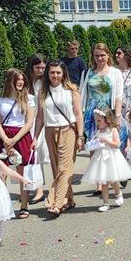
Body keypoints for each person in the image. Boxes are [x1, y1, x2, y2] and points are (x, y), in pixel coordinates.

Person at [34, 60, 84, 217]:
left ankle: (56, 202)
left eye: (58, 72)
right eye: (52, 72)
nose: (55, 75)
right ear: (47, 74)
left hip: (68, 130)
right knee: (57, 168)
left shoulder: (71, 90)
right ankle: (68, 200)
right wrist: (35, 137)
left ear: (63, 74)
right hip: (49, 130)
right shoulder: (43, 92)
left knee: (63, 168)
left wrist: (80, 136)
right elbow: (40, 118)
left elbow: (78, 114)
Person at [0, 69, 36, 218]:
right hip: (3, 136)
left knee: (22, 172)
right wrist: (5, 139)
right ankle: (3, 207)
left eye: (22, 80)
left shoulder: (29, 99)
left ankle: (24, 206)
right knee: (1, 173)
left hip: (21, 136)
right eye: (17, 79)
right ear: (9, 81)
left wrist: (15, 139)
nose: (21, 82)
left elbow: (29, 122)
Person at [83, 108, 131, 212]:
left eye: (99, 120)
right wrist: (91, 145)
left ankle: (118, 194)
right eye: (96, 120)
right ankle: (106, 203)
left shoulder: (112, 130)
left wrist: (106, 140)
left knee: (113, 180)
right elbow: (96, 143)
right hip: (101, 158)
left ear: (107, 120)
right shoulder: (98, 131)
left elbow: (117, 144)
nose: (97, 123)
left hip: (111, 157)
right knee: (103, 181)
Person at [79, 43, 124, 146]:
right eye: (97, 56)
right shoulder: (87, 73)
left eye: (102, 55)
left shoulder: (116, 73)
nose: (100, 58)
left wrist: (117, 116)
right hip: (92, 115)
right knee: (94, 145)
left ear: (108, 55)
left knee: (110, 145)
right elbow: (81, 95)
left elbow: (118, 96)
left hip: (109, 113)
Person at [24, 54, 49, 205]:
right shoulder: (25, 82)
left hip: (42, 122)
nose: (40, 70)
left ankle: (40, 189)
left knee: (38, 155)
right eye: (37, 67)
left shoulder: (46, 82)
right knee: (31, 156)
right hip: (28, 122)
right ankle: (34, 188)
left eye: (43, 67)